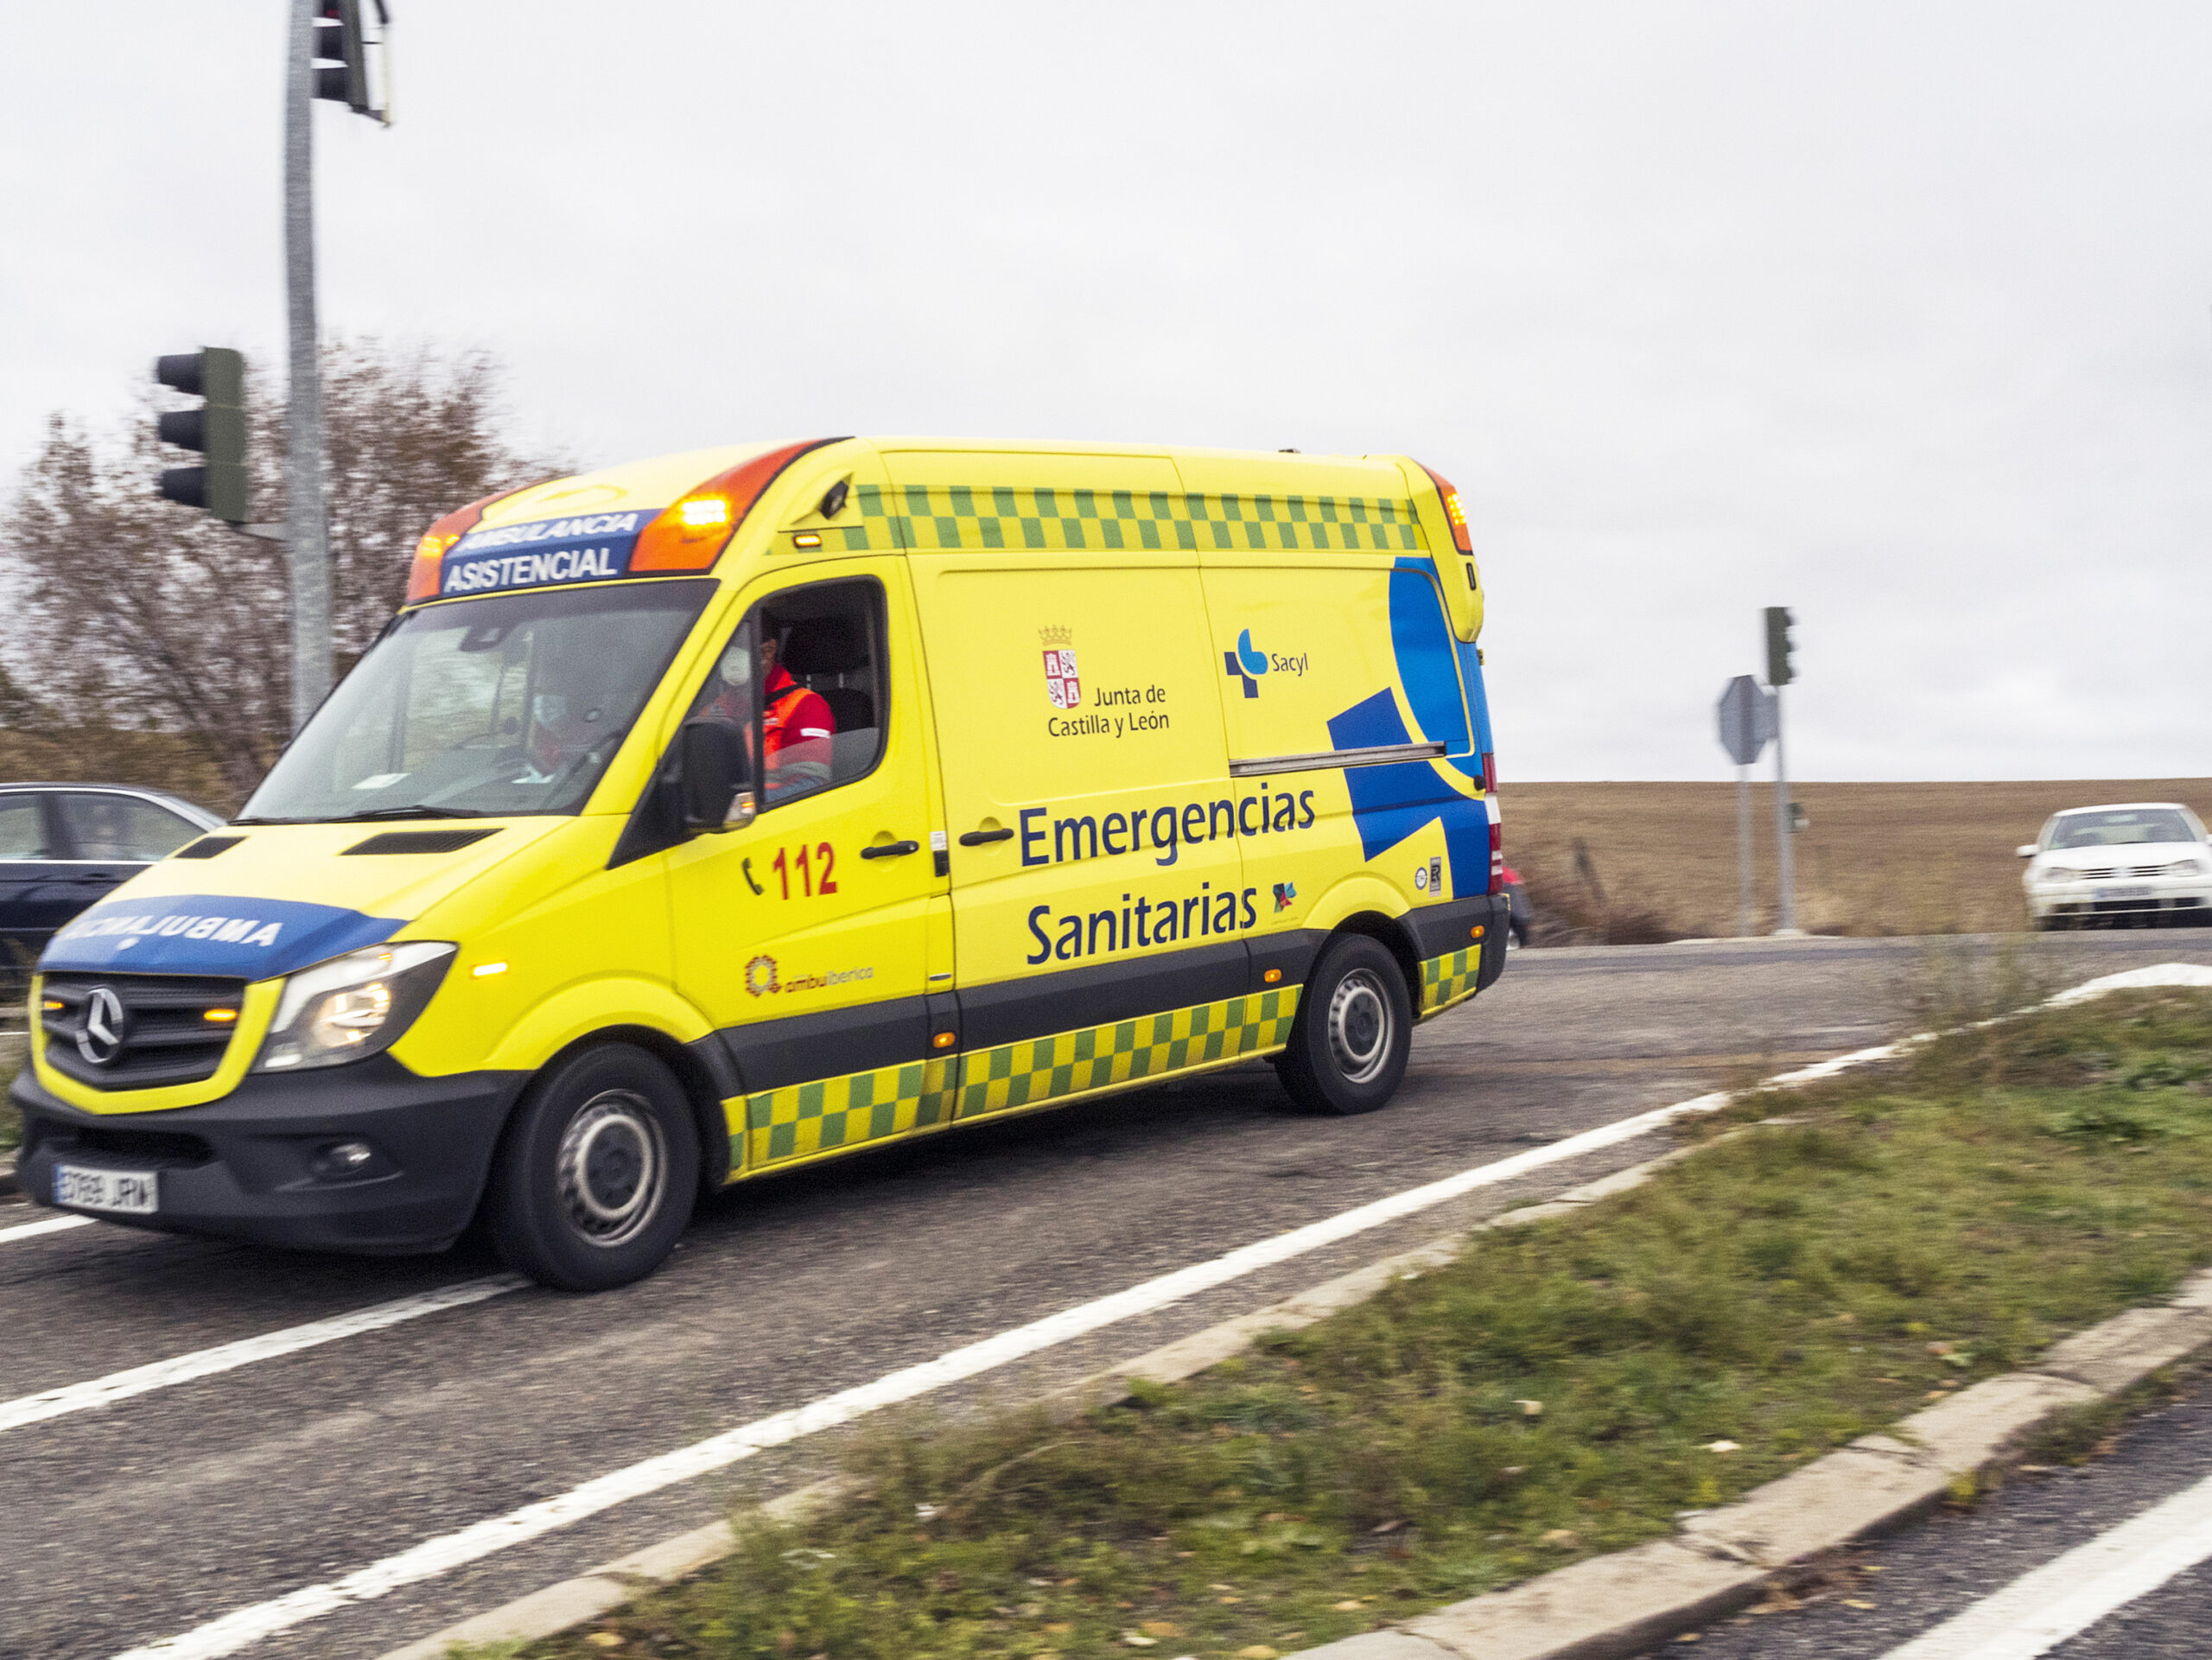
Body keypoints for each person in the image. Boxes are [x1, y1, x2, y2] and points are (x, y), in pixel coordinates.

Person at [707, 626, 835, 799]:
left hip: (770, 819)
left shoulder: (806, 706)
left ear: (769, 650)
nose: (730, 655)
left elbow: (811, 787)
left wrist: (737, 805)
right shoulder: (720, 704)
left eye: (738, 646)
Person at [1502, 863, 1529, 948]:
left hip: (1508, 902)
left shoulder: (1502, 872)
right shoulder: (1507, 871)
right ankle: (1523, 944)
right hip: (1519, 912)